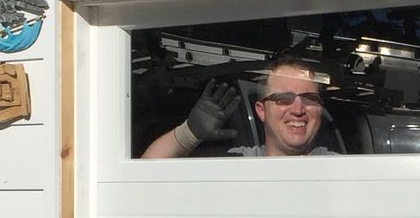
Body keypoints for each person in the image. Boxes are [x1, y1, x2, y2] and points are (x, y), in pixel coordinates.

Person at [141, 56, 336, 158]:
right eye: (284, 98)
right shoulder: (237, 163)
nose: (298, 108)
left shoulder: (341, 170)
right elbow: (144, 174)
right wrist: (189, 133)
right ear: (261, 110)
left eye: (309, 99)